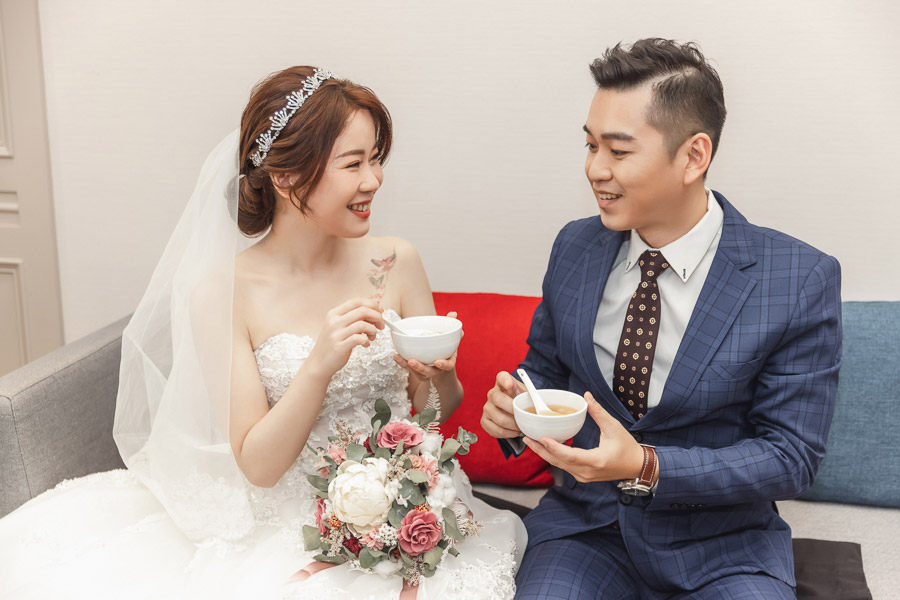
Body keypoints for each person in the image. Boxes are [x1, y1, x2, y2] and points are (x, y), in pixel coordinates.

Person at [0, 66, 526, 600]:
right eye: (353, 163)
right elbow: (259, 465)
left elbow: (432, 412)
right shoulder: (223, 294)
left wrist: (438, 375)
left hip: (410, 506)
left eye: (375, 159)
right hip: (292, 524)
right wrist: (319, 365)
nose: (373, 180)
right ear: (286, 178)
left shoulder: (395, 261)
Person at [481, 39, 841, 599]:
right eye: (590, 145)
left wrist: (645, 465)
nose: (594, 169)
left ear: (693, 156)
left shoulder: (797, 278)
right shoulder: (575, 247)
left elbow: (790, 457)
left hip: (723, 547)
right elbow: (544, 373)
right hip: (586, 531)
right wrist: (514, 413)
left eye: (618, 151)